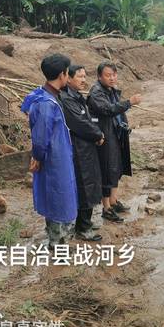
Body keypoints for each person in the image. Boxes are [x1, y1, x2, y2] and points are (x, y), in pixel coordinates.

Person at [21, 54, 77, 247]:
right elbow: (41, 135)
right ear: (62, 74)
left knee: (58, 193)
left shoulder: (47, 95)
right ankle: (57, 242)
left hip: (58, 155)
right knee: (57, 195)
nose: (68, 76)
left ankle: (59, 238)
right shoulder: (46, 103)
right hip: (53, 158)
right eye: (68, 73)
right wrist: (37, 156)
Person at [87, 62, 142, 222]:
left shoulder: (111, 90)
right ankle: (106, 208)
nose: (112, 78)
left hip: (115, 133)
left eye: (114, 74)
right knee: (107, 169)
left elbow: (116, 110)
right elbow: (108, 110)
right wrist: (129, 102)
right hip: (104, 136)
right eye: (108, 75)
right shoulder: (96, 92)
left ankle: (113, 200)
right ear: (99, 77)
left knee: (116, 167)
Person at [60, 65, 105, 241]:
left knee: (89, 184)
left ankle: (84, 222)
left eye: (85, 76)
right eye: (80, 76)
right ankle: (83, 228)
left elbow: (87, 120)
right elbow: (79, 123)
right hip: (79, 148)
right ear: (68, 78)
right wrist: (98, 134)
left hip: (86, 147)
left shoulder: (77, 96)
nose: (84, 80)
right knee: (85, 185)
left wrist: (96, 133)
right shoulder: (66, 99)